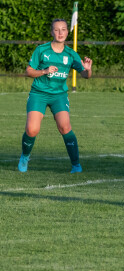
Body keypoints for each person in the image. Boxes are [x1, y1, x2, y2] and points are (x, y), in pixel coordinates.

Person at [18, 18, 93, 173]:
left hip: (59, 95)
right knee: (32, 130)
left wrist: (88, 69)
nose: (60, 33)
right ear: (52, 32)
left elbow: (86, 75)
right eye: (57, 30)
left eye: (63, 29)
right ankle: (25, 157)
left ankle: (76, 165)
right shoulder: (42, 50)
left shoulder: (71, 54)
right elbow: (28, 71)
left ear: (67, 31)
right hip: (39, 93)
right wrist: (44, 71)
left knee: (65, 127)